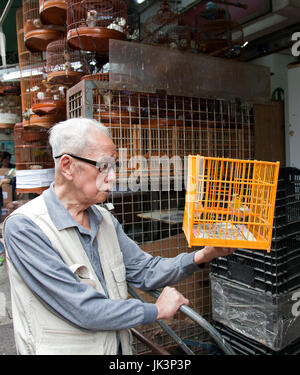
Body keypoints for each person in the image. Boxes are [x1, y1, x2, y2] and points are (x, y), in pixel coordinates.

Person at [3, 118, 235, 355]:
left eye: (115, 167)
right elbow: (82, 309)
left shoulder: (104, 220)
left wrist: (203, 255)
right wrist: (154, 310)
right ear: (67, 166)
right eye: (103, 166)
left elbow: (145, 271)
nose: (113, 177)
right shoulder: (26, 228)